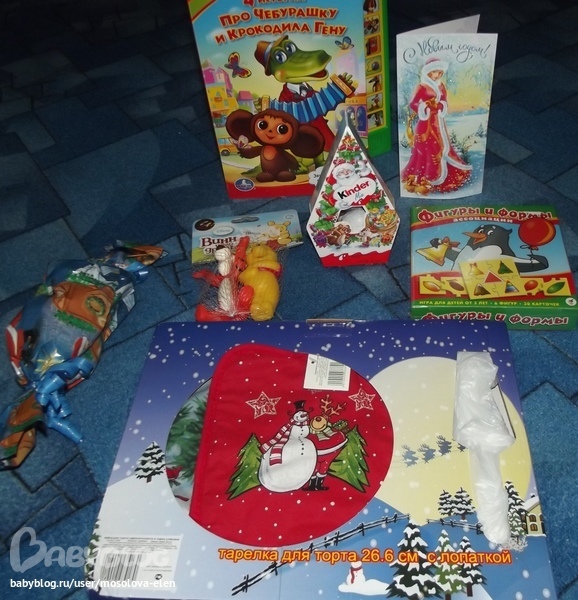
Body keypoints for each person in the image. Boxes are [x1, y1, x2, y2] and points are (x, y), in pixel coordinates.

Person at [402, 57, 472, 195]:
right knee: (427, 147)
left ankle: (439, 174)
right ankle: (425, 176)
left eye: (440, 72)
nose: (438, 75)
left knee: (441, 145)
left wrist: (440, 106)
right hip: (426, 122)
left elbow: (444, 101)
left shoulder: (441, 86)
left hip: (438, 121)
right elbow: (413, 103)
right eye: (435, 72)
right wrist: (425, 107)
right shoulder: (422, 87)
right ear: (429, 72)